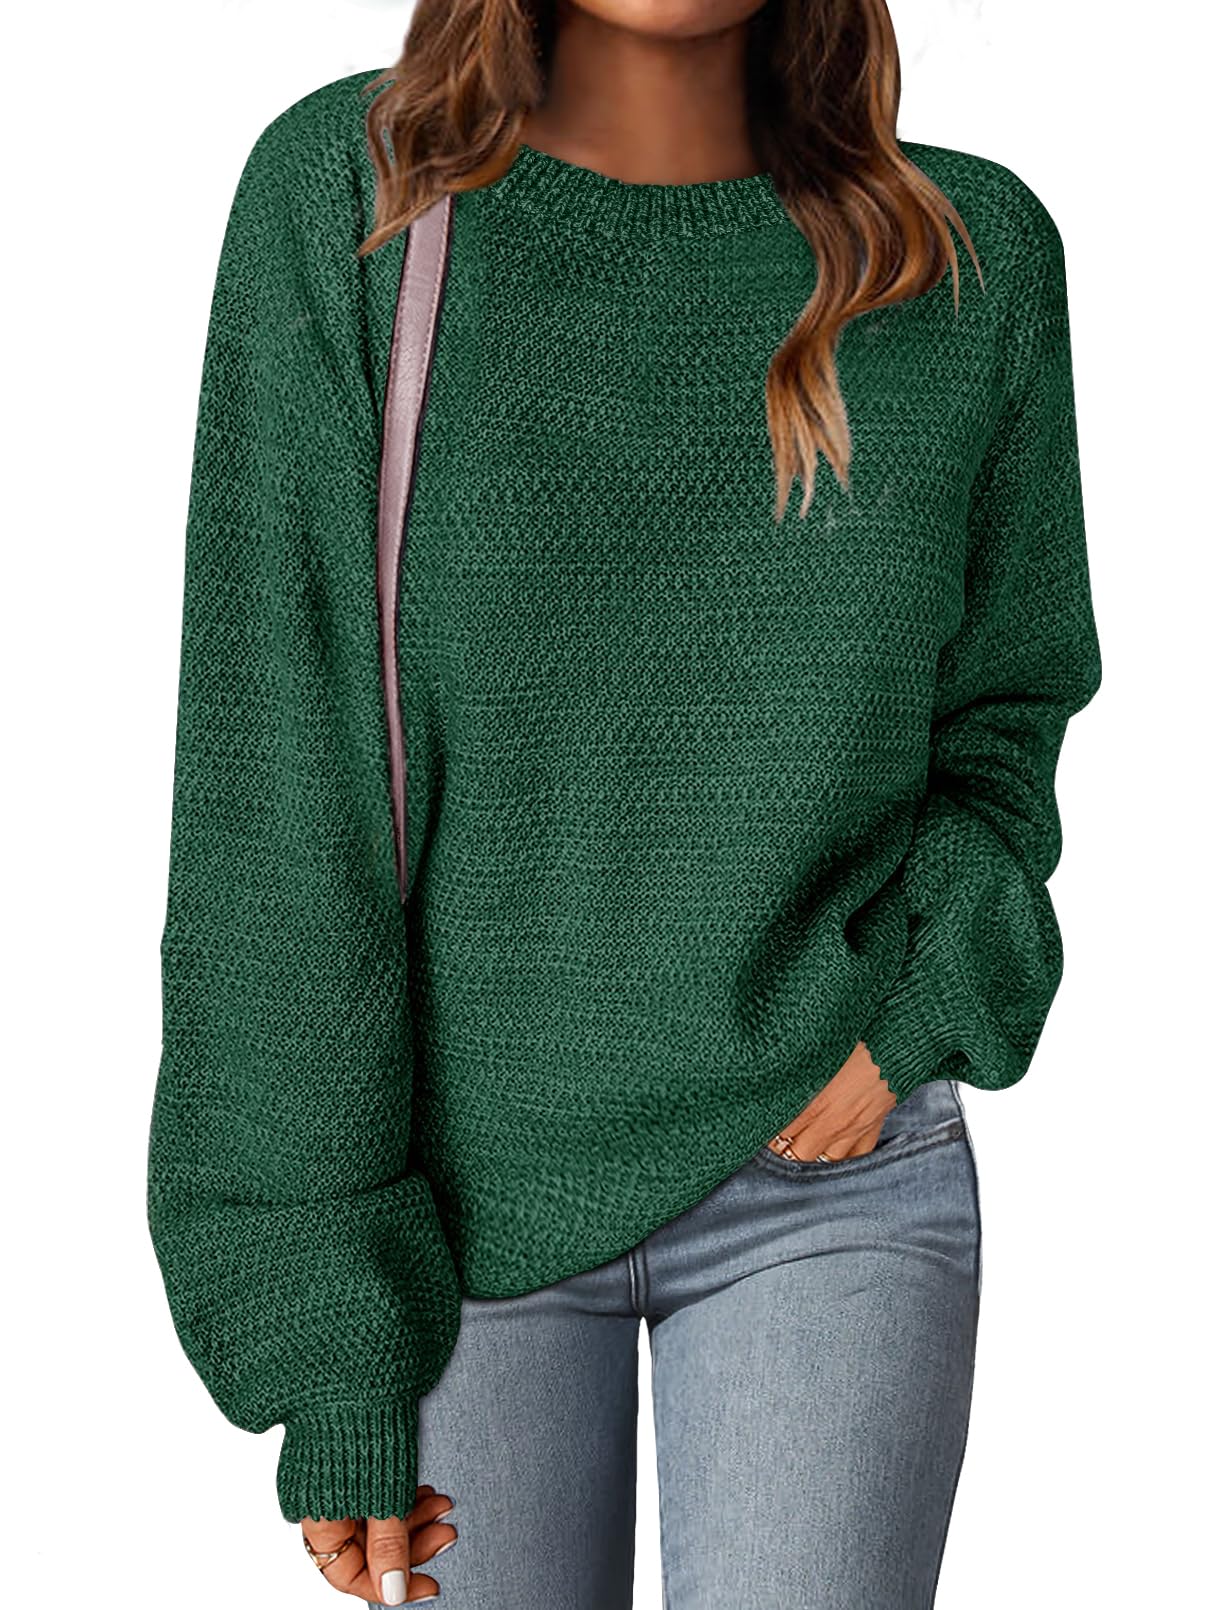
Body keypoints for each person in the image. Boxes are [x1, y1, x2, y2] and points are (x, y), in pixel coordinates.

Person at [146, 2, 1102, 1605]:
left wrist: (923, 1006)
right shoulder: (366, 204)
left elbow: (1007, 715)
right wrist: (327, 1323)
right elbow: (278, 797)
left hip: (835, 1181)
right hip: (448, 1222)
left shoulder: (964, 261)